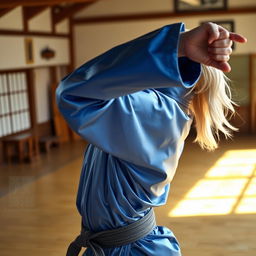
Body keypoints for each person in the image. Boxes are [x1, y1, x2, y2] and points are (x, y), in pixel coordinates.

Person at [56, 22, 247, 256]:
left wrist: (178, 44)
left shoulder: (156, 112)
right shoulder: (162, 110)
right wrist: (177, 45)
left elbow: (72, 92)